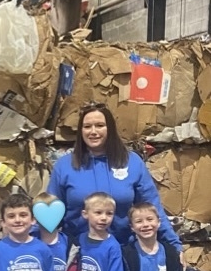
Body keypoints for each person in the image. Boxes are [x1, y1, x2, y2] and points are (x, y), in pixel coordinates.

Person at [48, 103, 181, 249]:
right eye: (87, 127)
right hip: (77, 252)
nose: (93, 131)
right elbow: (50, 213)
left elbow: (153, 207)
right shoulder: (65, 165)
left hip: (123, 250)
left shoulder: (132, 162)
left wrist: (174, 245)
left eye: (99, 125)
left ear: (110, 128)